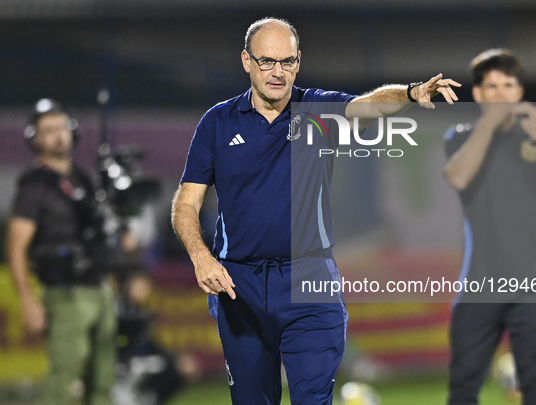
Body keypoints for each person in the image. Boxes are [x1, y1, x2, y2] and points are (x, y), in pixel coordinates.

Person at [171, 17, 460, 405]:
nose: (278, 72)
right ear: (246, 61)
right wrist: (200, 257)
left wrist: (410, 92)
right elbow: (185, 203)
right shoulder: (217, 123)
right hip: (240, 285)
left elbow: (368, 107)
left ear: (299, 62)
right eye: (267, 61)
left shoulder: (318, 110)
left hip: (309, 279)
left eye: (287, 62)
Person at [443, 49, 536, 405]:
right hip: (478, 282)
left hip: (533, 282)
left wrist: (535, 137)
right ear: (479, 94)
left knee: (534, 382)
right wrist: (488, 124)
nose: (500, 93)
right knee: (463, 383)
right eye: (492, 86)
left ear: (519, 92)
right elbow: (457, 176)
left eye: (508, 85)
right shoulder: (461, 136)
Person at [6, 99, 116, 405]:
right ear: (36, 139)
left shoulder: (83, 179)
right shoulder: (35, 186)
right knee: (65, 380)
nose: (58, 135)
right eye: (49, 130)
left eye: (62, 127)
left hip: (97, 285)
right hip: (65, 293)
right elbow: (16, 247)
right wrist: (27, 299)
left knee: (103, 378)